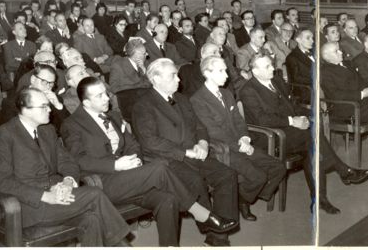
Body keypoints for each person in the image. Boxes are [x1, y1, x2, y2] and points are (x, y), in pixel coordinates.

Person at [63, 77, 238, 246]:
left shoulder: (114, 116)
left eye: (105, 93)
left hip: (131, 176)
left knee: (168, 199)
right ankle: (202, 215)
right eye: (99, 95)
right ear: (85, 103)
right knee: (160, 166)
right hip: (103, 183)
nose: (107, 98)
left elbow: (133, 144)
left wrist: (135, 160)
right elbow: (78, 159)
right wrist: (116, 165)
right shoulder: (72, 125)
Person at [0, 87, 132, 246]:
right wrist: (45, 196)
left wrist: (68, 182)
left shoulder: (47, 130)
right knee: (95, 195)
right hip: (29, 205)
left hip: (60, 194)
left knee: (92, 219)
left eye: (48, 104)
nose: (49, 109)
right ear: (25, 110)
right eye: (43, 106)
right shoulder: (5, 135)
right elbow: (3, 182)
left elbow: (67, 161)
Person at [240, 55, 368, 214]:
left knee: (313, 149)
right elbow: (262, 119)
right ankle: (342, 171)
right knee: (313, 139)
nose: (272, 69)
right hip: (270, 137)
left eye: (271, 65)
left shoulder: (277, 81)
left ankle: (321, 197)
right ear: (255, 71)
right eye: (267, 66)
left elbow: (292, 104)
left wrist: (310, 114)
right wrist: (291, 121)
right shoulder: (248, 90)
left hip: (292, 133)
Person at [131, 58, 241, 245]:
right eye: (173, 75)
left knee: (227, 174)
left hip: (194, 152)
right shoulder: (143, 105)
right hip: (167, 159)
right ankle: (209, 223)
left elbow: (200, 126)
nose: (179, 80)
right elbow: (150, 142)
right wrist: (185, 153)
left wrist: (203, 143)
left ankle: (218, 235)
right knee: (194, 180)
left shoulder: (182, 99)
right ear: (156, 79)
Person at [189, 57, 287, 221]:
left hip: (240, 144)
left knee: (278, 167)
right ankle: (244, 200)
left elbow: (239, 121)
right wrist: (238, 146)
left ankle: (243, 198)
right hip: (221, 149)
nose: (226, 75)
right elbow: (213, 132)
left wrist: (245, 138)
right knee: (259, 177)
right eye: (221, 71)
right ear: (207, 73)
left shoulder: (227, 93)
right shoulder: (197, 100)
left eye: (225, 70)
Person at [285, 28, 314, 103]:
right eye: (308, 38)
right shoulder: (292, 57)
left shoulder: (314, 53)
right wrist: (317, 80)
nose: (312, 41)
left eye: (312, 38)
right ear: (298, 40)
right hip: (306, 91)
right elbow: (296, 78)